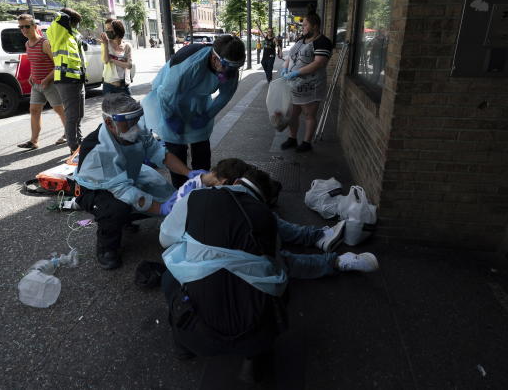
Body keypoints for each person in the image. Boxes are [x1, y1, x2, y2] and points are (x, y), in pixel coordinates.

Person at [161, 158, 380, 279]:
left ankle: (320, 239)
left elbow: (166, 237)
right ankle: (334, 259)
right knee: (280, 260)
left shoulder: (202, 192)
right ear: (230, 183)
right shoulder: (195, 199)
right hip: (217, 262)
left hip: (202, 261)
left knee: (268, 229)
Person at [159, 167, 288, 360]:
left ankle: (183, 346)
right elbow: (272, 267)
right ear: (265, 200)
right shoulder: (267, 218)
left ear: (235, 183)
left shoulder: (196, 198)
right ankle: (255, 359)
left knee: (170, 276)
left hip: (197, 337)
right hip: (254, 339)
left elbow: (165, 239)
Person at [69, 93, 193, 270]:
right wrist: (162, 209)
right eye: (128, 122)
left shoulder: (134, 128)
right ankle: (106, 246)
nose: (135, 126)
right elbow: (124, 191)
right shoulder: (98, 150)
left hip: (127, 174)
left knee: (167, 194)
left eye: (136, 119)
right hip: (93, 188)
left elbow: (161, 154)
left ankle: (126, 219)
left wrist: (190, 173)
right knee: (117, 208)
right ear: (109, 123)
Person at [142, 35, 245, 189]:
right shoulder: (188, 66)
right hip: (168, 99)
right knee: (176, 148)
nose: (230, 73)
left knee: (202, 148)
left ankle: (202, 186)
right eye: (227, 67)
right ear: (215, 58)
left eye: (235, 68)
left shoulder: (230, 69)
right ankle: (180, 189)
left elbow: (225, 95)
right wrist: (171, 118)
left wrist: (207, 115)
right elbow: (166, 94)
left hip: (198, 100)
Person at [279, 11, 333, 153]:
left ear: (315, 26)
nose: (302, 27)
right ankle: (292, 138)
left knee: (309, 115)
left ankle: (306, 142)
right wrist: (285, 69)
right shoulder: (300, 40)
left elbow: (318, 63)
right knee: (291, 114)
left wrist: (296, 72)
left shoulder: (323, 42)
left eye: (305, 25)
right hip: (294, 85)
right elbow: (290, 57)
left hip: (311, 86)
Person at [16, 14, 67, 150]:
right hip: (36, 85)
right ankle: (33, 141)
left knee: (60, 110)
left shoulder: (44, 43)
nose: (24, 29)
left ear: (34, 26)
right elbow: (34, 62)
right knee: (34, 110)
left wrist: (47, 79)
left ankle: (69, 134)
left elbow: (58, 65)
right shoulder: (27, 44)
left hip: (50, 84)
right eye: (21, 27)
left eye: (27, 26)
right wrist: (32, 75)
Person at [47, 8, 86, 155]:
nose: (76, 25)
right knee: (72, 116)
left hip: (78, 78)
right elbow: (58, 19)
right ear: (68, 20)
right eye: (75, 22)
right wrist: (63, 15)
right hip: (66, 79)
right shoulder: (58, 30)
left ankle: (79, 143)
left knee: (79, 115)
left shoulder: (72, 34)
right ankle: (74, 147)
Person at [100, 19, 132, 95]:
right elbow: (105, 60)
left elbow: (129, 65)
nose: (107, 31)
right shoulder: (106, 44)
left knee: (129, 107)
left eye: (109, 28)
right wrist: (105, 45)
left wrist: (113, 60)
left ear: (117, 29)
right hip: (109, 87)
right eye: (106, 29)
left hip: (124, 87)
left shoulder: (127, 46)